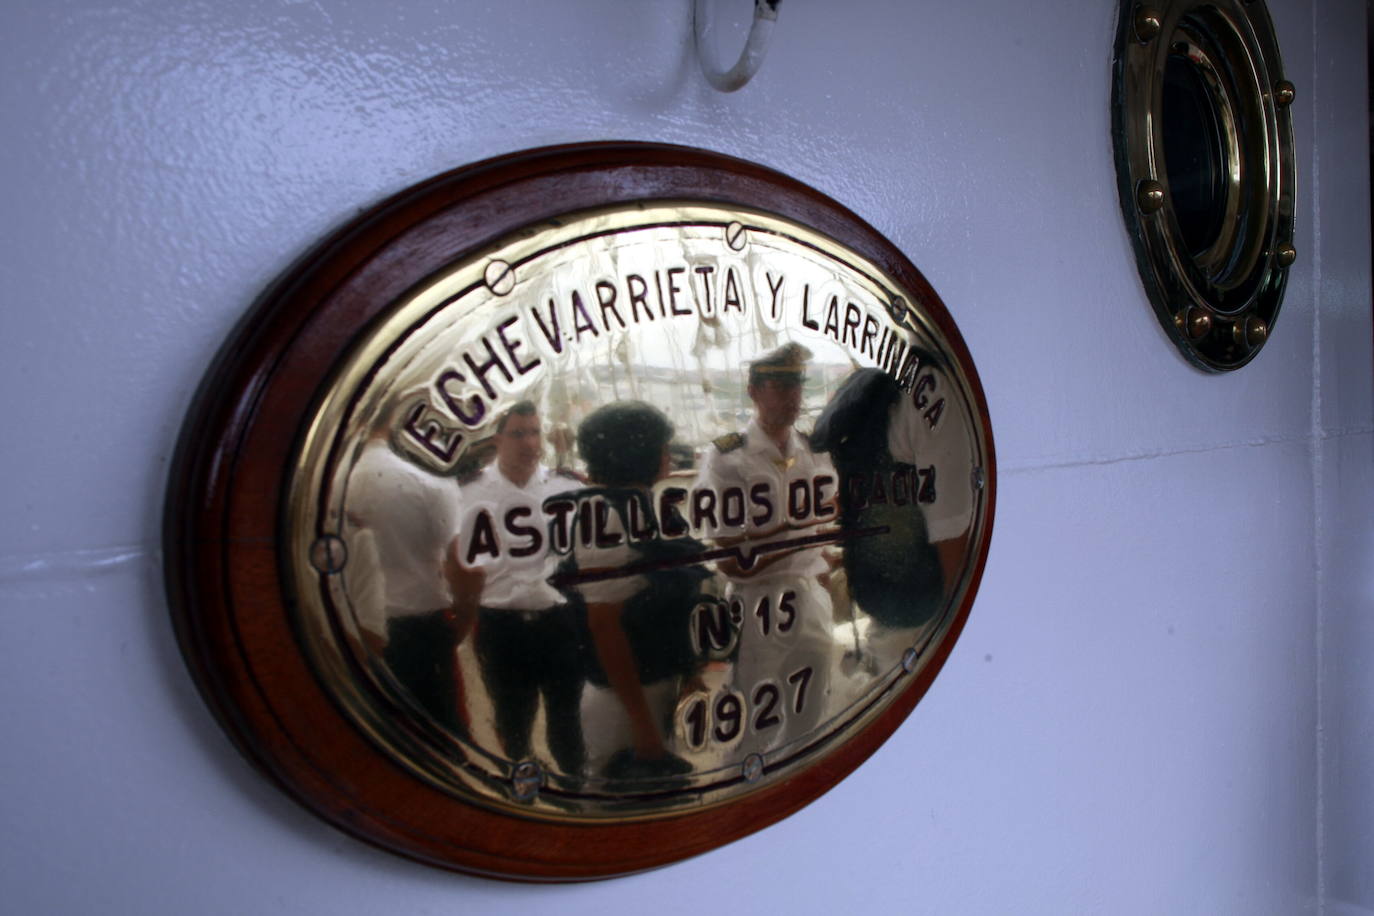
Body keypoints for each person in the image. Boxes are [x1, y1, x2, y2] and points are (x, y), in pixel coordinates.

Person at [693, 342, 838, 756]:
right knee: (754, 719)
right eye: (780, 385)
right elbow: (728, 555)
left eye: (796, 385)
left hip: (810, 594)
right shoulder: (727, 456)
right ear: (754, 391)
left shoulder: (812, 450)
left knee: (811, 714)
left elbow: (830, 519)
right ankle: (739, 793)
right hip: (759, 602)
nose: (793, 396)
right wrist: (802, 526)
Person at [559, 401, 704, 783]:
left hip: (658, 684)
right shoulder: (604, 516)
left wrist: (689, 673)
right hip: (622, 701)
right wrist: (642, 726)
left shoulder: (646, 507)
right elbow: (604, 626)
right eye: (663, 446)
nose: (669, 455)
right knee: (618, 803)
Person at [456, 401, 586, 776]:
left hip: (559, 620)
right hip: (501, 623)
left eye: (534, 432)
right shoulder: (469, 492)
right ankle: (520, 785)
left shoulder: (567, 487)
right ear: (497, 439)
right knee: (512, 718)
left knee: (567, 716)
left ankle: (575, 792)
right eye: (518, 434)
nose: (530, 443)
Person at [344, 420, 470, 737]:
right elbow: (462, 564)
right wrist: (463, 624)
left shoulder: (337, 478)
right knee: (445, 734)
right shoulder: (429, 477)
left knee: (376, 729)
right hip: (422, 621)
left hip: (354, 623)